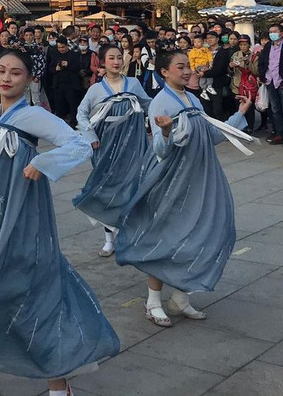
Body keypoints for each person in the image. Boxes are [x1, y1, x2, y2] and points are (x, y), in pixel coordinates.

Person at [0, 48, 119, 396]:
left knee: (33, 293)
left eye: (15, 73)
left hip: (20, 217)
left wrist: (43, 163)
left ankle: (58, 383)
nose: (6, 78)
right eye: (1, 70)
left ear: (29, 79)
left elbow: (79, 145)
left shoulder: (34, 116)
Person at [115, 50, 254, 328]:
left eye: (188, 65)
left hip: (199, 178)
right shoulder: (160, 102)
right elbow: (159, 151)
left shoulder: (193, 99)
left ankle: (180, 298)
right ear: (164, 72)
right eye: (180, 67)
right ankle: (153, 302)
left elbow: (212, 135)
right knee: (164, 237)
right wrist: (166, 132)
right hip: (171, 182)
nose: (187, 70)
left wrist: (239, 115)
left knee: (198, 234)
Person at [72, 45, 152, 258]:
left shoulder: (133, 84)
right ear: (103, 62)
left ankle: (131, 236)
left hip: (134, 145)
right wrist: (90, 136)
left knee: (133, 188)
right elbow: (81, 114)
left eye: (119, 57)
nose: (116, 62)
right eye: (111, 58)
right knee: (107, 189)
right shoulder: (96, 90)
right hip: (106, 146)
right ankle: (109, 240)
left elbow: (149, 105)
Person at [46, 37, 81, 126]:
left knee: (72, 105)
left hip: (71, 84)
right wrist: (55, 69)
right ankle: (59, 124)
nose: (61, 49)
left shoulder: (74, 54)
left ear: (67, 46)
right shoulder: (54, 55)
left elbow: (78, 67)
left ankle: (73, 123)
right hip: (58, 84)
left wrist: (68, 65)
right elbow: (50, 68)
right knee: (59, 105)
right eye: (59, 47)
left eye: (63, 47)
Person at [258, 23, 283, 145]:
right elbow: (262, 62)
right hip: (270, 80)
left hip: (281, 80)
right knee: (275, 109)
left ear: (281, 33)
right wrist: (262, 75)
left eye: (275, 31)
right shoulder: (268, 46)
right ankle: (279, 133)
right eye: (270, 32)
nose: (272, 34)